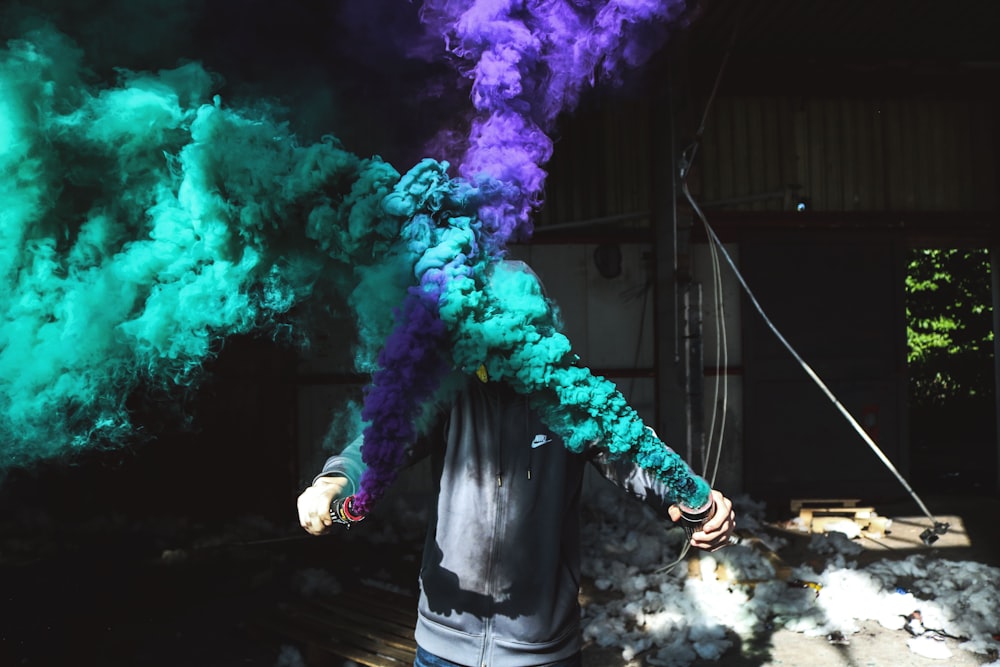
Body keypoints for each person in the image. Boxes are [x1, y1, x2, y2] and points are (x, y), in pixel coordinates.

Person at [298, 372, 736, 667]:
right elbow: (381, 442)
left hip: (542, 650)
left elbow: (637, 452)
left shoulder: (571, 397)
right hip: (443, 647)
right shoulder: (447, 391)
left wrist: (700, 503)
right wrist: (336, 481)